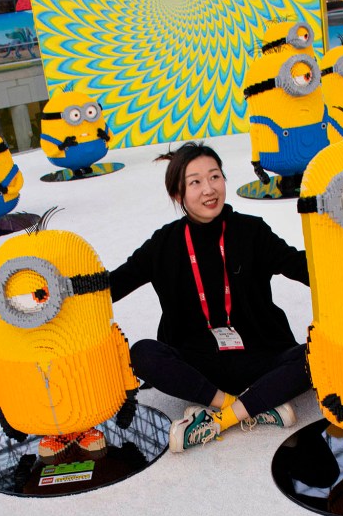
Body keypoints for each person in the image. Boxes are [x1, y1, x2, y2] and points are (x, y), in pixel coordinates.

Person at [109, 141, 311, 452]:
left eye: (215, 177)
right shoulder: (164, 244)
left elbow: (298, 265)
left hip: (260, 354)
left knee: (316, 354)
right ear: (178, 194)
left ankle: (220, 419)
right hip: (198, 363)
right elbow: (114, 285)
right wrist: (62, 290)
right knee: (143, 354)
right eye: (195, 182)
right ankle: (250, 406)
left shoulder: (251, 232)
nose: (209, 189)